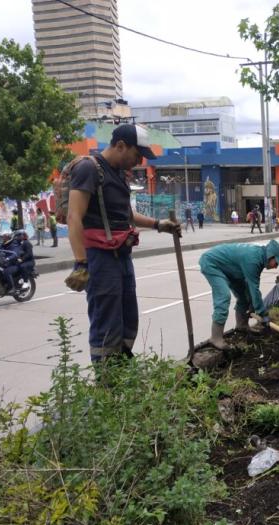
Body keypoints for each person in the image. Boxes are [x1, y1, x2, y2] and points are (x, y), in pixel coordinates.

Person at [63, 124, 180, 365]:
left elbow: (126, 215)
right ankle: (106, 384)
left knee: (129, 320)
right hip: (99, 258)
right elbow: (73, 216)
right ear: (120, 146)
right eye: (137, 155)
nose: (139, 162)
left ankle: (122, 370)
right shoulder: (89, 169)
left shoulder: (117, 174)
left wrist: (159, 224)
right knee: (107, 324)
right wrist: (81, 263)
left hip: (121, 255)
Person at [199, 239, 279, 350]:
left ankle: (242, 325)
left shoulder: (259, 259)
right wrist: (263, 314)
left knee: (245, 296)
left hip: (230, 268)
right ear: (270, 256)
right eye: (276, 263)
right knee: (224, 296)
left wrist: (253, 306)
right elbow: (254, 289)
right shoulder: (253, 259)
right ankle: (216, 337)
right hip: (212, 263)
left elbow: (252, 289)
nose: (276, 266)